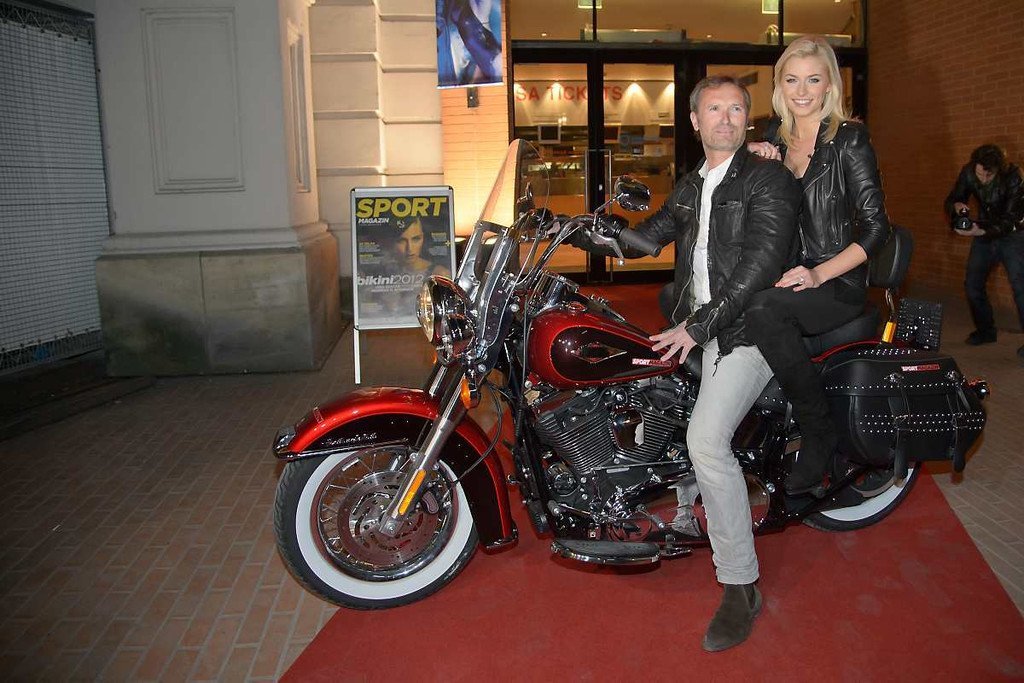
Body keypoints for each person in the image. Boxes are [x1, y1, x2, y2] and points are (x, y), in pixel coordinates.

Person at [574, 76, 801, 652]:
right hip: (701, 328)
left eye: (736, 109)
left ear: (747, 118)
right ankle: (680, 507)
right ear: (695, 121)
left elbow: (759, 266)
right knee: (644, 397)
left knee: (705, 442)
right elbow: (645, 241)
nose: (725, 118)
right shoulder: (693, 185)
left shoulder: (767, 179)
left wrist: (698, 329)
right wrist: (567, 231)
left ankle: (741, 584)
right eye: (713, 109)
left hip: (750, 334)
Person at [745, 35, 892, 495]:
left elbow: (876, 229)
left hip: (836, 281)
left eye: (813, 79)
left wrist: (818, 273)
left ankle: (818, 429)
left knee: (764, 310)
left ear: (830, 85)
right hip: (786, 275)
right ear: (779, 85)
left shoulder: (849, 139)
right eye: (792, 80)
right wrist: (752, 164)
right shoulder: (772, 138)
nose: (802, 91)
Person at [945, 144, 1024, 359]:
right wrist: (957, 206)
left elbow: (1011, 219)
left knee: (1020, 287)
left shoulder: (1014, 176)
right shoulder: (969, 172)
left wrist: (980, 231)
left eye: (989, 175)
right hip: (982, 233)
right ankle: (986, 331)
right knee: (973, 285)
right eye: (980, 173)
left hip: (1012, 235)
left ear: (999, 169)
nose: (983, 179)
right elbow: (953, 198)